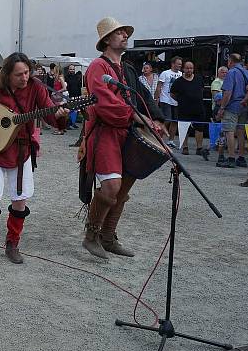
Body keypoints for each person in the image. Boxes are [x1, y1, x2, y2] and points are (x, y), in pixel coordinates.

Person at [0, 53, 69, 266]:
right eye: (19, 74)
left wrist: (59, 114)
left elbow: (48, 114)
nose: (25, 78)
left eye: (27, 72)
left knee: (20, 201)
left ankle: (12, 243)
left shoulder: (36, 87)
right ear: (7, 74)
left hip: (21, 152)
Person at [80, 17, 165, 259]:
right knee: (111, 187)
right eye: (119, 33)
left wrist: (155, 118)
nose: (125, 36)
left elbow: (143, 95)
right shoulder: (98, 66)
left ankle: (108, 236)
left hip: (127, 132)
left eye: (125, 33)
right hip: (105, 131)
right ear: (107, 39)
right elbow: (105, 101)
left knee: (123, 188)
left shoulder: (127, 69)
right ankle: (91, 235)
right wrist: (137, 117)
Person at [216, 54, 248, 168]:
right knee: (241, 131)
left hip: (232, 105)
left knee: (229, 131)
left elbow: (227, 92)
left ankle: (231, 157)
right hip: (244, 105)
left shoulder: (231, 72)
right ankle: (241, 157)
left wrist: (222, 108)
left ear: (230, 61)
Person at [170, 61, 209, 159]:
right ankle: (185, 147)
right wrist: (181, 100)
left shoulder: (199, 79)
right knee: (184, 129)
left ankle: (199, 148)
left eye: (191, 68)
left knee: (199, 128)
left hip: (198, 108)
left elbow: (201, 90)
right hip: (184, 109)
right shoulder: (178, 81)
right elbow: (173, 94)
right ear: (183, 69)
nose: (189, 70)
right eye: (187, 68)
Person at [155, 56, 182, 147]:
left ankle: (171, 140)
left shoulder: (181, 74)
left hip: (176, 101)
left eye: (181, 64)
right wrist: (157, 98)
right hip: (165, 99)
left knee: (175, 121)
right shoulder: (165, 73)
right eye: (178, 63)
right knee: (167, 119)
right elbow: (159, 86)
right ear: (173, 64)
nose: (180, 65)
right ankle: (160, 137)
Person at [211, 66, 229, 163]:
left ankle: (220, 146)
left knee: (224, 130)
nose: (225, 74)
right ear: (218, 73)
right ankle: (218, 149)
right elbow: (216, 97)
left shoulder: (228, 81)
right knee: (220, 130)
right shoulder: (216, 82)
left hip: (226, 108)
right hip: (218, 108)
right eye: (222, 72)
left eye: (226, 72)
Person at [52, 67, 68, 134]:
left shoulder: (60, 78)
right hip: (56, 97)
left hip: (59, 97)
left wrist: (57, 92)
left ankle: (60, 129)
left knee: (59, 112)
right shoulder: (56, 78)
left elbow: (64, 88)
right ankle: (62, 128)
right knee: (58, 112)